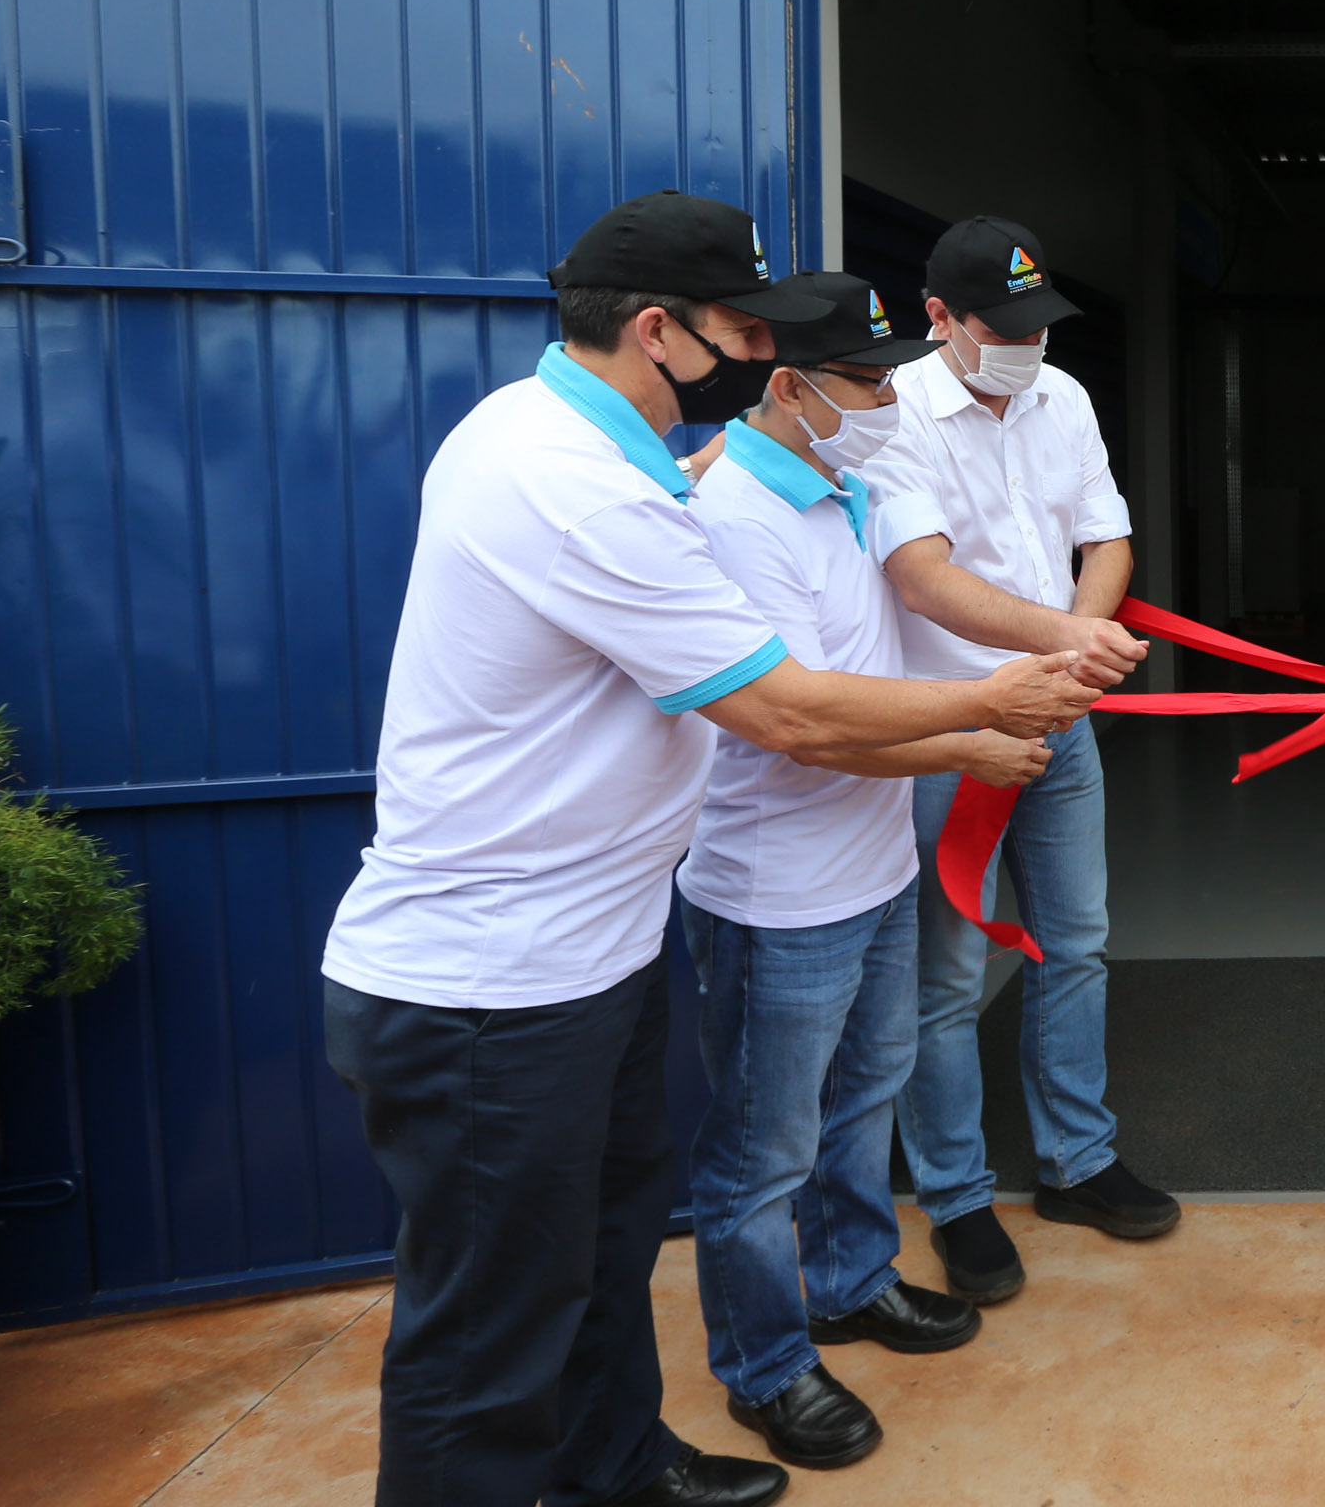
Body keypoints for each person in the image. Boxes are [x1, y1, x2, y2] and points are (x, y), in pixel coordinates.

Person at [320, 192, 1101, 1507]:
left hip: (595, 949)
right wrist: (984, 709)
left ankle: (618, 1465)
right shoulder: (581, 486)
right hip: (495, 979)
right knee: (487, 1341)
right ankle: (712, 1390)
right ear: (654, 331)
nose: (754, 355)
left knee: (603, 1252)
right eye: (739, 331)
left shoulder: (609, 455)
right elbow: (789, 714)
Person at [678, 273, 1063, 1471]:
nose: (888, 401)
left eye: (891, 378)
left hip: (874, 864)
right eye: (863, 382)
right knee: (762, 1150)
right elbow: (802, 723)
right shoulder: (736, 515)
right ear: (789, 387)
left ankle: (852, 1278)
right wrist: (973, 731)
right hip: (778, 891)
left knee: (864, 1093)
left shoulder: (846, 484)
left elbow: (928, 599)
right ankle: (765, 1364)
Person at [867, 213, 1168, 1308]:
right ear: (939, 318)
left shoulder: (1063, 397)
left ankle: (1078, 1159)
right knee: (946, 977)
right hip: (953, 730)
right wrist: (1066, 642)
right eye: (1005, 328)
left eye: (1041, 325)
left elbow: (1107, 540)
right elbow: (923, 578)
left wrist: (1075, 659)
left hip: (1061, 719)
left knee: (1076, 943)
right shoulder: (892, 411)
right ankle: (956, 1195)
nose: (1028, 346)